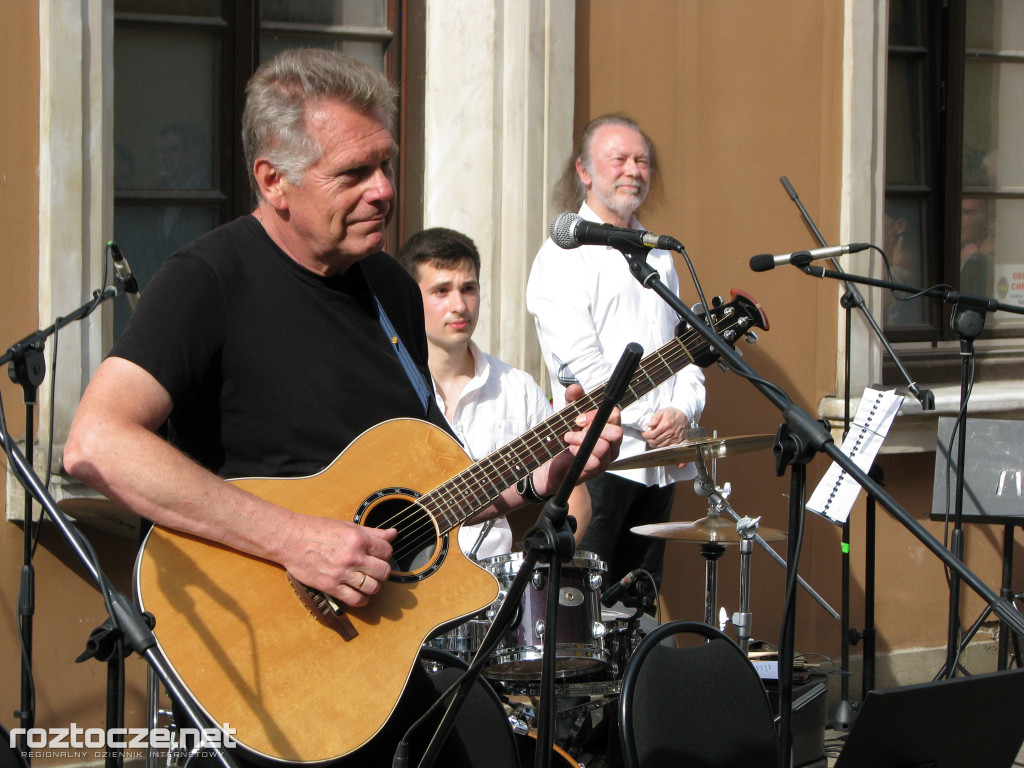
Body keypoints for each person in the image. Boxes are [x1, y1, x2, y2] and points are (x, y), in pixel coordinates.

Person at [63, 48, 620, 767]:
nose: (384, 190)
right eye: (354, 173)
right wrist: (295, 539)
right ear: (274, 181)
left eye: (387, 163)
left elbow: (426, 488)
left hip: (378, 660)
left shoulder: (389, 288)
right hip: (267, 670)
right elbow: (96, 442)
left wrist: (544, 476)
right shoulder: (207, 281)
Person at [526, 114, 706, 601]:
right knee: (588, 605)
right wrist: (652, 415)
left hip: (659, 457)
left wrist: (683, 410)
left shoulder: (659, 255)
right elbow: (585, 365)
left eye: (642, 160)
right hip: (600, 459)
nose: (633, 170)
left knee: (640, 600)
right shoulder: (564, 255)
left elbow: (684, 349)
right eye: (619, 159)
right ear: (585, 172)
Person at [396, 226, 592, 560]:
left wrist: (539, 564)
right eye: (441, 290)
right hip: (409, 589)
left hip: (497, 590)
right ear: (410, 298)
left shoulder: (518, 388)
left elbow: (575, 491)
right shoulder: (392, 386)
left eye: (468, 288)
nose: (459, 305)